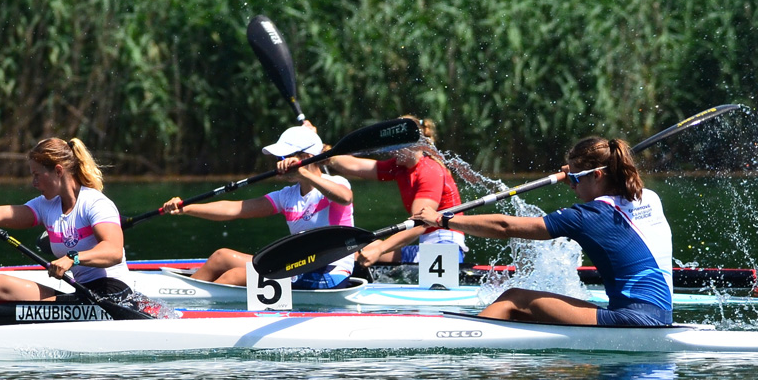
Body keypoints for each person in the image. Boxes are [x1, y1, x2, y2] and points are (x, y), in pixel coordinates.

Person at [384, 136, 672, 325]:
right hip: (658, 316)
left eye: (574, 179)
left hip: (630, 319)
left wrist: (443, 220)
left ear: (597, 175)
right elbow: (602, 189)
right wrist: (575, 176)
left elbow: (505, 226)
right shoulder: (648, 198)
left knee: (514, 298)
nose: (571, 185)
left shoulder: (589, 215)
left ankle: (456, 346)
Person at [0, 137, 135, 302]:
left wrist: (72, 258)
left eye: (37, 175)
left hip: (113, 294)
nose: (33, 183)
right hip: (83, 293)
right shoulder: (46, 205)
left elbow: (114, 251)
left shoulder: (95, 203)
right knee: (1, 284)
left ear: (58, 171)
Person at [160, 125, 355, 288]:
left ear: (305, 157)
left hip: (331, 273)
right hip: (298, 266)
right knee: (221, 257)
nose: (280, 164)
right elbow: (234, 209)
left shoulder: (337, 183)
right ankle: (183, 299)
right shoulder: (287, 196)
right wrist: (186, 208)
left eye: (284, 158)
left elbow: (345, 198)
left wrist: (305, 173)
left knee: (235, 276)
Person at [325, 115, 466, 270]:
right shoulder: (401, 167)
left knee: (374, 248)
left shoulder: (429, 171)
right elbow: (357, 166)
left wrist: (380, 249)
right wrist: (328, 156)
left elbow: (419, 224)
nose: (391, 151)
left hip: (445, 247)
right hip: (426, 243)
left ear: (413, 144)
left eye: (396, 146)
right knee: (359, 252)